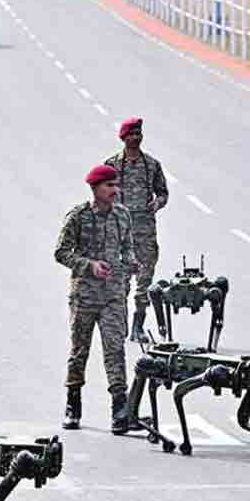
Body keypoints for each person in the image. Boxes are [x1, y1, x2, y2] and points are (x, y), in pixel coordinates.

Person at [55, 164, 136, 433]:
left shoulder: (123, 216)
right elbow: (61, 252)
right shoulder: (77, 217)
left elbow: (127, 248)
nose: (115, 190)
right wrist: (89, 265)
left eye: (116, 185)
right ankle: (73, 403)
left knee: (115, 349)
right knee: (80, 351)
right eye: (109, 186)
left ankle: (119, 408)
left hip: (113, 295)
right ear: (95, 188)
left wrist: (131, 264)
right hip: (85, 297)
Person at [105, 118, 168, 342]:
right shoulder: (111, 166)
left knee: (144, 280)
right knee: (121, 281)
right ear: (123, 137)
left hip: (145, 232)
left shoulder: (151, 165)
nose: (136, 137)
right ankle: (119, 325)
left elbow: (163, 193)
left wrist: (157, 204)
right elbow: (100, 195)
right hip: (120, 232)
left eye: (139, 133)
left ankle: (137, 326)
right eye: (131, 134)